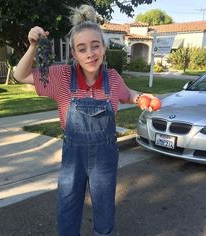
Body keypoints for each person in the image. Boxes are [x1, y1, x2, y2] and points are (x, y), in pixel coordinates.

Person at [14, 4, 157, 236]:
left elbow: (127, 94)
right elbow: (21, 75)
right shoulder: (61, 77)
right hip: (73, 156)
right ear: (74, 54)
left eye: (95, 45)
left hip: (105, 156)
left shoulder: (113, 78)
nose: (89, 53)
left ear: (104, 48)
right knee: (67, 205)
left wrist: (141, 97)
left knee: (104, 208)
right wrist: (32, 46)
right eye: (82, 48)